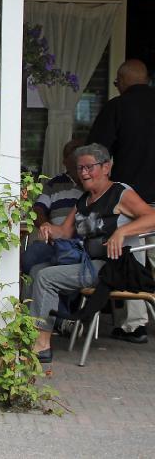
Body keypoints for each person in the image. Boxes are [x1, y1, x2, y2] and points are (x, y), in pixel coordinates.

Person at [28, 143, 155, 363]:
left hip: (116, 267)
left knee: (46, 277)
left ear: (106, 167)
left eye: (90, 167)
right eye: (80, 168)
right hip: (90, 264)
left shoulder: (120, 193)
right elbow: (65, 232)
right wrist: (48, 227)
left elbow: (151, 217)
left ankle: (41, 344)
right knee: (37, 268)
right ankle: (35, 332)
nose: (84, 173)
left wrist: (122, 232)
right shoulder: (83, 201)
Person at [86, 59, 155, 342]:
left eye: (116, 83)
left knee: (133, 258)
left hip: (133, 200)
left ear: (123, 81)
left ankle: (134, 325)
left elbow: (95, 151)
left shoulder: (118, 107)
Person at [21, 138, 84, 274]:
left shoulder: (90, 183)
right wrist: (47, 228)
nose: (75, 159)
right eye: (71, 155)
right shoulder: (54, 184)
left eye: (78, 154)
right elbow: (37, 210)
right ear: (64, 161)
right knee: (30, 256)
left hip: (80, 241)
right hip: (55, 240)